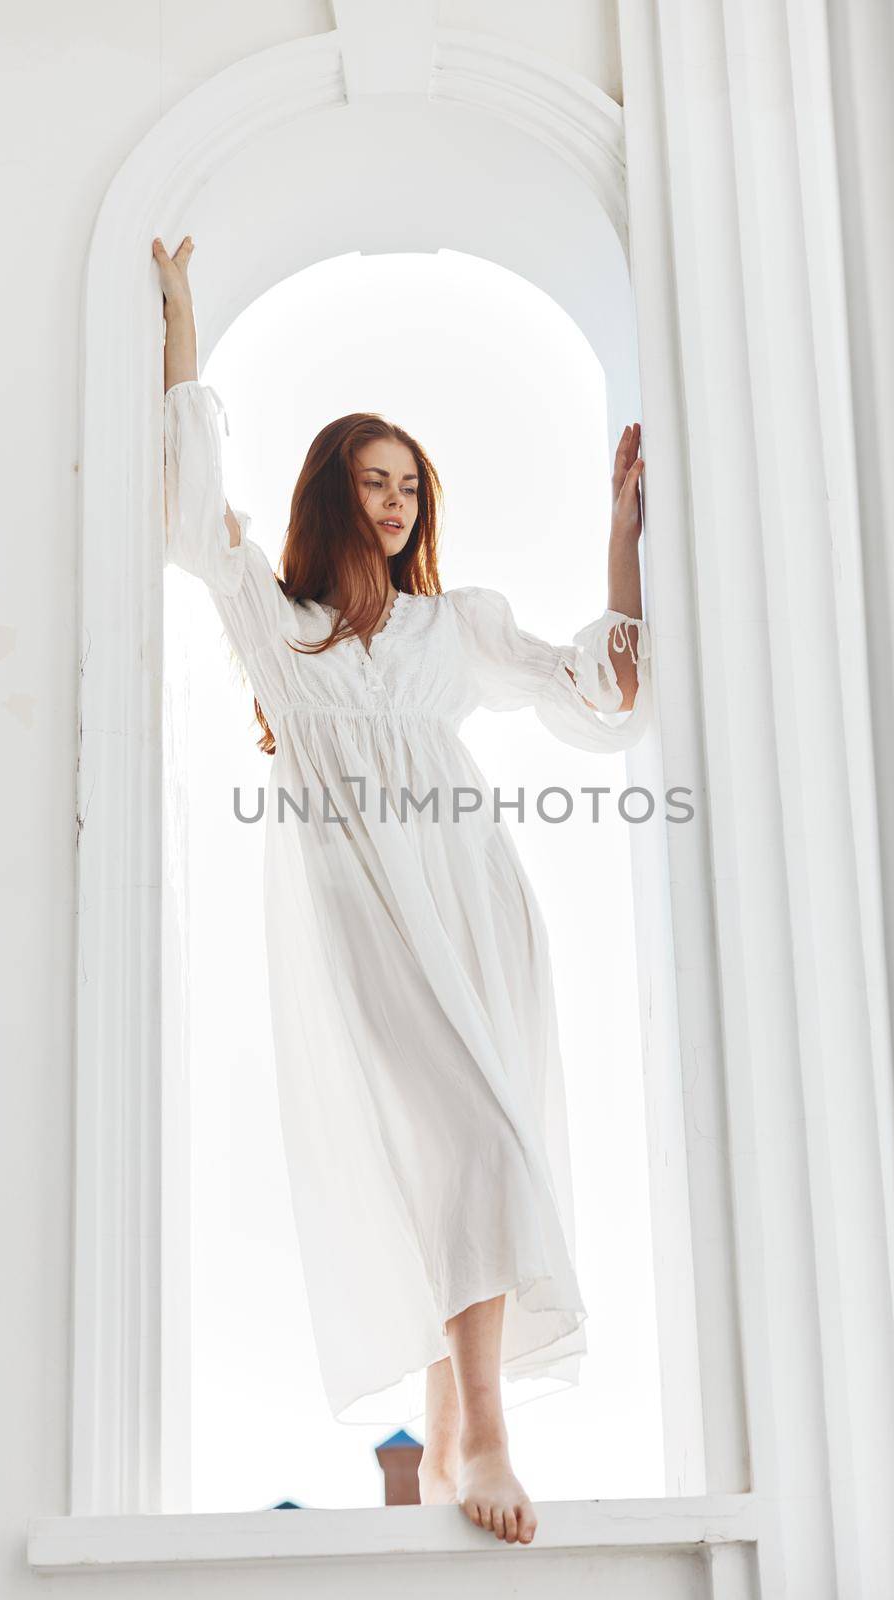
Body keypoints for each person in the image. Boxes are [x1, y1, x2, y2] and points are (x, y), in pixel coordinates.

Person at [153, 234, 651, 1546]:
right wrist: (182, 311)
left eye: (410, 487)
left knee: (474, 1149)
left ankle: (446, 1441)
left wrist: (620, 538)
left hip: (478, 893)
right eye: (373, 483)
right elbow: (191, 510)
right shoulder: (281, 624)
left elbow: (602, 687)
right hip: (362, 907)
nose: (395, 505)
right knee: (466, 1137)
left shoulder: (456, 627)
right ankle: (482, 1432)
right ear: (332, 494)